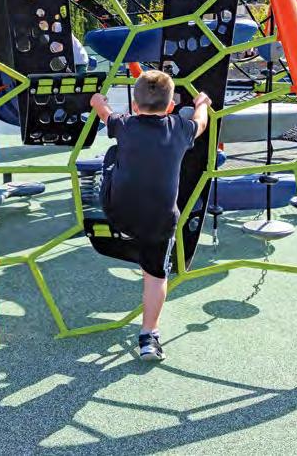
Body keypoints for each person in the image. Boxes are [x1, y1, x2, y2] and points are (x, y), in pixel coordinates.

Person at [89, 70, 210, 361]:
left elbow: (104, 113)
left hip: (119, 212)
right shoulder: (180, 127)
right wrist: (202, 103)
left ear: (134, 105)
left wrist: (96, 101)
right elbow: (201, 123)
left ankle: (121, 225)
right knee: (155, 275)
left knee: (112, 155)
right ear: (171, 107)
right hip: (159, 220)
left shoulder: (124, 124)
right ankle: (149, 335)